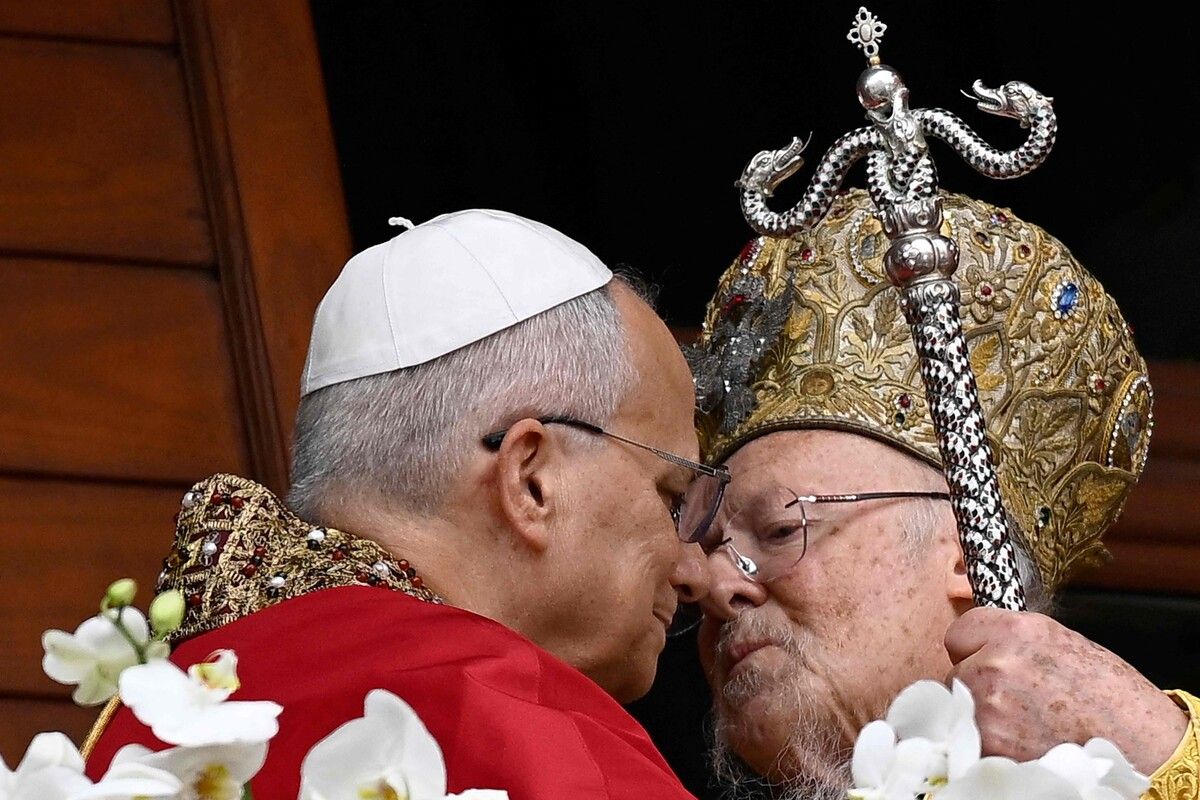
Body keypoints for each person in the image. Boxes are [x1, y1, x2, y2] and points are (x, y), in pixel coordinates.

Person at [82, 209, 723, 798]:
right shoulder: (537, 736)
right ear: (532, 480)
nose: (695, 572)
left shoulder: (148, 731)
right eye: (672, 496)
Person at [682, 185, 1198, 799]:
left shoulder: (1140, 758)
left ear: (966, 553)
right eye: (709, 545)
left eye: (779, 530)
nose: (715, 587)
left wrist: (1155, 748)